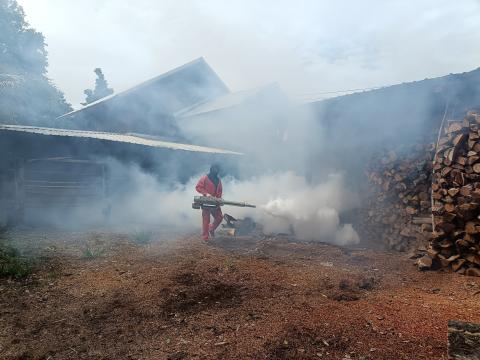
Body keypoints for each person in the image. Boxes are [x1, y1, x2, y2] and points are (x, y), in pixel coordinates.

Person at [195, 164, 223, 241]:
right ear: (211, 169)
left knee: (219, 218)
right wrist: (206, 194)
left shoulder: (218, 180)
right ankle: (205, 238)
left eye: (217, 169)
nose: (216, 170)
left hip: (215, 203)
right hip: (206, 202)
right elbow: (198, 187)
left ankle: (211, 229)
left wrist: (218, 199)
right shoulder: (205, 178)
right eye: (214, 168)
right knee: (206, 220)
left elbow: (219, 191)